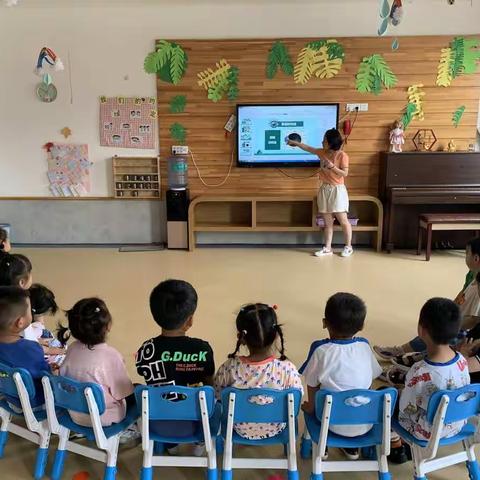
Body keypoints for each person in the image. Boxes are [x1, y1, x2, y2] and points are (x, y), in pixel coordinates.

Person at [135, 279, 215, 454]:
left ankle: (171, 445)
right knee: (214, 399)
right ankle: (201, 442)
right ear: (190, 320)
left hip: (158, 423)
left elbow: (143, 372)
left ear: (155, 316)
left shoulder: (147, 348)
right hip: (195, 423)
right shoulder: (202, 349)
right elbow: (210, 384)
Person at [300, 292, 382, 460]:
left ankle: (323, 445)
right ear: (362, 325)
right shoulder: (365, 346)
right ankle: (353, 447)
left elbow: (311, 382)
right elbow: (370, 379)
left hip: (329, 422)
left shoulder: (321, 350)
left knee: (320, 397)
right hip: (365, 422)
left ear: (324, 323)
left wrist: (312, 407)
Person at [374, 237, 480, 361]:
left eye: (467, 253)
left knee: (434, 333)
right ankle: (403, 353)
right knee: (432, 328)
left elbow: (474, 320)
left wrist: (450, 324)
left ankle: (407, 357)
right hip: (457, 323)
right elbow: (461, 295)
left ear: (476, 258)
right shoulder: (472, 276)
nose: (465, 256)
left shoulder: (478, 288)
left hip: (461, 330)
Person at [214, 303, 303, 440]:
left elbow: (218, 396)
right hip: (276, 427)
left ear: (241, 337)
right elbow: (296, 400)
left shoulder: (229, 368)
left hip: (238, 426)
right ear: (276, 336)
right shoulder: (288, 369)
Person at [58, 298, 136, 436]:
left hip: (75, 414)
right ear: (108, 327)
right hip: (104, 417)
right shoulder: (111, 356)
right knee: (138, 392)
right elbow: (123, 392)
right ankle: (127, 431)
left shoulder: (72, 349)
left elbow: (63, 376)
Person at [398, 298, 470, 441]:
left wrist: (399, 393)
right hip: (457, 424)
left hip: (426, 431)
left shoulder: (419, 370)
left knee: (388, 398)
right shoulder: (462, 360)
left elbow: (405, 408)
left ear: (422, 330)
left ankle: (395, 444)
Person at [288, 128, 353, 257]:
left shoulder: (342, 155)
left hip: (337, 190)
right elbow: (307, 147)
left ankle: (348, 246)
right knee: (327, 222)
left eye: (324, 140)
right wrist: (295, 143)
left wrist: (332, 167)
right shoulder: (321, 152)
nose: (322, 142)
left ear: (330, 143)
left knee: (343, 220)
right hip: (324, 189)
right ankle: (328, 248)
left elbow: (344, 173)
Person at [0, 286, 50, 407]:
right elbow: (45, 378)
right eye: (29, 310)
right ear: (20, 322)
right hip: (34, 401)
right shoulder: (32, 348)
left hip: (8, 395)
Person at [29, 284, 66, 364]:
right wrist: (57, 350)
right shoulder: (29, 329)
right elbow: (38, 347)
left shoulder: (35, 325)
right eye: (42, 314)